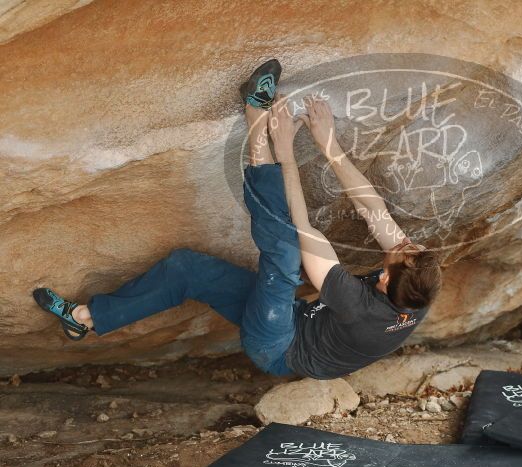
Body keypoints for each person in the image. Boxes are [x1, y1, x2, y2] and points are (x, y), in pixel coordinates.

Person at [33, 59, 442, 379]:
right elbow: (375, 211)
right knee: (186, 268)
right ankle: (84, 319)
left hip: (279, 346)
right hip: (298, 321)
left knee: (284, 256)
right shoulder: (416, 288)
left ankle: (255, 120)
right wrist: (328, 145)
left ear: (385, 281)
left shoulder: (362, 307)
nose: (404, 243)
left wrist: (286, 150)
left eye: (403, 251)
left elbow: (302, 230)